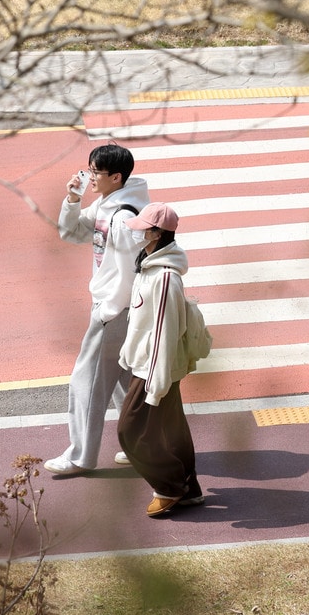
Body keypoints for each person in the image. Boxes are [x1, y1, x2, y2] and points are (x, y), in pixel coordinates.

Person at [47, 143, 150, 475]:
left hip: (114, 310)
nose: (89, 177)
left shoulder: (123, 216)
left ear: (116, 177)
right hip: (119, 309)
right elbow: (73, 232)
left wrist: (108, 311)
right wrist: (73, 200)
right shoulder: (108, 204)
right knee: (124, 381)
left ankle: (80, 456)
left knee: (86, 382)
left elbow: (127, 273)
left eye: (95, 172)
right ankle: (141, 447)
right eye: (89, 170)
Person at [116, 202, 204, 517]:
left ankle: (169, 486)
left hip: (154, 368)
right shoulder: (150, 265)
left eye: (142, 228)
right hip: (151, 364)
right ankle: (189, 489)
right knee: (171, 428)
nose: (137, 231)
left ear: (157, 233)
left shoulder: (164, 277)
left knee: (129, 431)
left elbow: (164, 335)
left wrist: (155, 383)